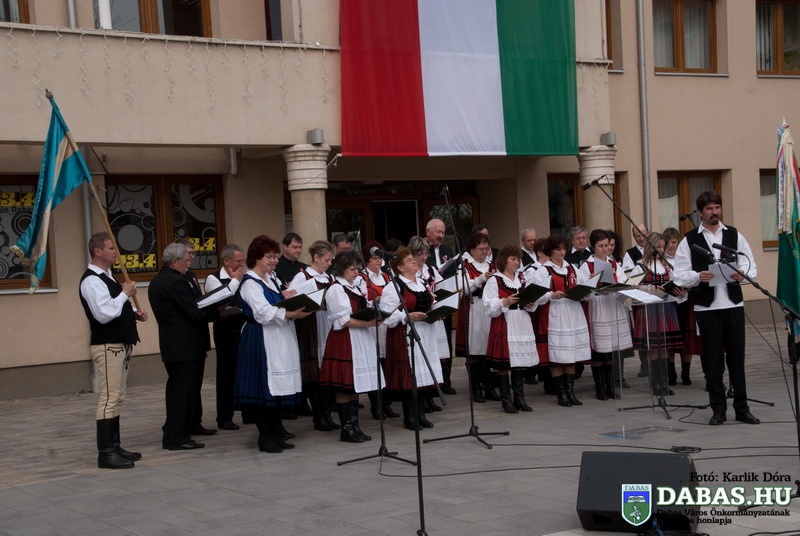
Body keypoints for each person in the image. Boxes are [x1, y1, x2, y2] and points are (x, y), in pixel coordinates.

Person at [673, 190, 759, 426]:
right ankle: (718, 409)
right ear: (700, 213)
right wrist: (697, 276)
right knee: (712, 360)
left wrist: (742, 275)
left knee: (737, 358)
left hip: (733, 304)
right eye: (710, 209)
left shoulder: (733, 234)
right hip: (707, 308)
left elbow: (750, 264)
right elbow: (678, 275)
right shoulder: (690, 240)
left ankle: (742, 408)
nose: (715, 212)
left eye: (717, 207)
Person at [236, 235, 311, 453]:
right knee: (264, 389)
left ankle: (275, 432)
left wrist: (287, 297)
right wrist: (290, 313)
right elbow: (262, 312)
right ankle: (265, 437)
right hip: (261, 338)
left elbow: (275, 303)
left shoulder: (272, 279)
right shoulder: (250, 283)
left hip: (279, 336)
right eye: (269, 257)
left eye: (275, 257)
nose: (274, 261)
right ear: (256, 258)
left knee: (278, 389)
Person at [79, 232, 148, 469]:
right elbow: (103, 314)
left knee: (117, 396)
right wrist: (124, 294)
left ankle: (115, 446)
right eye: (111, 248)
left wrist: (133, 314)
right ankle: (106, 452)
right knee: (109, 397)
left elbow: (114, 308)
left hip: (120, 343)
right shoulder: (91, 280)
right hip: (108, 345)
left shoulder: (108, 277)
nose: (115, 253)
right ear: (97, 251)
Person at [148, 242, 219, 451]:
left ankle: (183, 428)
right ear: (175, 261)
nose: (189, 262)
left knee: (182, 390)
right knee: (182, 392)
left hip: (175, 345)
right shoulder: (176, 282)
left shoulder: (158, 280)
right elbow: (192, 312)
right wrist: (218, 313)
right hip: (184, 346)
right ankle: (176, 437)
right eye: (186, 260)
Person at [320, 251, 385, 443]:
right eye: (352, 269)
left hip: (359, 337)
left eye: (357, 268)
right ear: (342, 269)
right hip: (345, 338)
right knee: (344, 385)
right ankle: (346, 429)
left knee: (355, 385)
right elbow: (344, 320)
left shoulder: (354, 287)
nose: (356, 272)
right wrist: (369, 323)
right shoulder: (336, 289)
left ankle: (355, 426)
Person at [380, 247, 444, 430]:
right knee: (411, 375)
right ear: (400, 267)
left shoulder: (421, 282)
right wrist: (408, 316)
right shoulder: (394, 286)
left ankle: (421, 414)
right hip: (405, 334)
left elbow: (430, 303)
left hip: (425, 332)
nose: (415, 261)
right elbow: (387, 316)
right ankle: (410, 416)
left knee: (423, 373)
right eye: (409, 260)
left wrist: (438, 311)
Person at [531, 235, 591, 407]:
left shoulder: (571, 268)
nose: (562, 252)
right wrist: (551, 295)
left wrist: (584, 292)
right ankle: (561, 393)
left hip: (572, 312)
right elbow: (535, 293)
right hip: (555, 314)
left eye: (564, 249)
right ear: (550, 251)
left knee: (570, 354)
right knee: (557, 356)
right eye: (558, 249)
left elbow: (583, 286)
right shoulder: (543, 270)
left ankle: (570, 392)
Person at [483, 245, 539, 413]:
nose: (517, 262)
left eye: (518, 259)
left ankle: (519, 399)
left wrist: (530, 302)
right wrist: (505, 302)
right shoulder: (495, 280)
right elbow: (489, 307)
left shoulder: (522, 278)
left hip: (522, 320)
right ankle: (506, 401)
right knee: (504, 364)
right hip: (505, 321)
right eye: (513, 259)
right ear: (504, 260)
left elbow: (531, 299)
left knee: (520, 363)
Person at [289, 240, 338, 431]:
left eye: (331, 260)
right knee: (314, 374)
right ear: (316, 258)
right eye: (326, 260)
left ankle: (327, 413)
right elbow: (292, 299)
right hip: (311, 325)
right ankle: (319, 415)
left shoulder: (329, 278)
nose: (329, 263)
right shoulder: (303, 277)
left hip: (327, 324)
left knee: (326, 372)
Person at [578, 230, 632, 401]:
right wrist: (591, 282)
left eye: (607, 245)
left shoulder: (613, 263)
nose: (604, 249)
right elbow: (581, 291)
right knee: (599, 350)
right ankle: (600, 388)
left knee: (611, 350)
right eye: (600, 246)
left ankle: (610, 386)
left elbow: (622, 281)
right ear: (593, 247)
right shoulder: (586, 266)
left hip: (612, 304)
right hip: (598, 305)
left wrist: (623, 286)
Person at [630, 232, 684, 396]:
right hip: (650, 310)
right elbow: (631, 287)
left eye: (663, 247)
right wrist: (649, 289)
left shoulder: (666, 266)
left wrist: (679, 291)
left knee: (665, 346)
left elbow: (675, 283)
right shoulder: (640, 267)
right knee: (655, 347)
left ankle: (664, 381)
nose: (661, 250)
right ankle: (655, 383)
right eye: (658, 246)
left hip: (666, 308)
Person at [172, 238, 215, 435]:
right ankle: (185, 425)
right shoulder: (176, 279)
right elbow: (190, 307)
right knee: (186, 387)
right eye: (189, 254)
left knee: (196, 385)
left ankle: (195, 421)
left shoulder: (191, 274)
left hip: (198, 337)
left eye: (193, 253)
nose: (192, 257)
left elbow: (198, 299)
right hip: (185, 340)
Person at [204, 243, 246, 431]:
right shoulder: (213, 278)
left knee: (246, 372)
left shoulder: (245, 276)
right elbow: (222, 298)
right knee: (227, 375)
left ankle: (248, 411)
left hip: (244, 330)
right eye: (238, 261)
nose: (241, 265)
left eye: (243, 261)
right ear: (226, 261)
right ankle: (225, 416)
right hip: (226, 333)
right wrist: (235, 281)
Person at [410, 236, 452, 410]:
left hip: (433, 317)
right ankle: (422, 398)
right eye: (420, 253)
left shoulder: (431, 270)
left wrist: (442, 308)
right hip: (419, 318)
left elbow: (441, 290)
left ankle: (431, 396)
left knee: (434, 358)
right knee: (423, 358)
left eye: (426, 253)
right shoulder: (410, 271)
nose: (424, 257)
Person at [358, 241, 399, 420]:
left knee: (387, 364)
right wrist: (376, 300)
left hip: (387, 323)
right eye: (375, 258)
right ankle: (376, 405)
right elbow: (361, 301)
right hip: (373, 325)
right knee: (376, 365)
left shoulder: (387, 275)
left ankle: (387, 403)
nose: (379, 261)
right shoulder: (362, 278)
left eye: (380, 258)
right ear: (367, 259)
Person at [455, 233, 497, 404]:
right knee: (474, 348)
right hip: (473, 308)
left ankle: (489, 386)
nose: (484, 252)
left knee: (488, 347)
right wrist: (479, 280)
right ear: (472, 250)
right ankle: (476, 387)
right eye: (480, 249)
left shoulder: (492, 265)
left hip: (488, 308)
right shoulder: (464, 266)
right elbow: (461, 289)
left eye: (486, 249)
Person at [424, 218, 456, 394]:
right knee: (432, 343)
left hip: (444, 299)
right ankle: (432, 383)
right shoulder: (421, 250)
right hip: (428, 302)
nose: (441, 235)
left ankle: (446, 380)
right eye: (438, 232)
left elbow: (452, 272)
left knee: (446, 342)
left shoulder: (447, 251)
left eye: (443, 232)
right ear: (428, 231)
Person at [622, 223, 650, 378]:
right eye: (637, 235)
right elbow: (628, 275)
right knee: (642, 332)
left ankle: (658, 363)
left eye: (643, 234)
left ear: (648, 233)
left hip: (656, 296)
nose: (641, 238)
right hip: (639, 297)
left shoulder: (655, 249)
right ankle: (644, 364)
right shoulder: (630, 254)